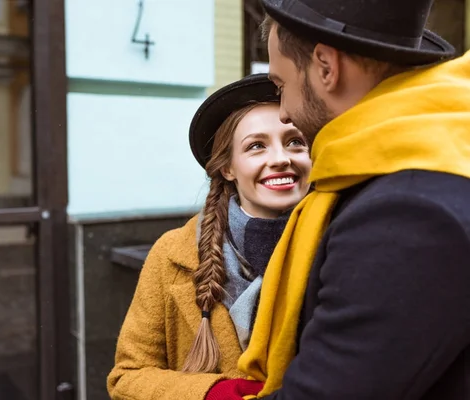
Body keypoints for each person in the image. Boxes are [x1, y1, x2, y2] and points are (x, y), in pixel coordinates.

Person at [226, 1, 470, 399]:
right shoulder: (418, 169)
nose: (284, 112)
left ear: (326, 67)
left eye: (281, 86)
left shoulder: (410, 216)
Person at [107, 74, 312, 400]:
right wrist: (215, 394)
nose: (280, 158)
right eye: (256, 146)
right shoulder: (173, 254)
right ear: (228, 168)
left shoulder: (341, 245)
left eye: (295, 141)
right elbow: (126, 378)